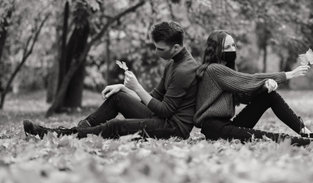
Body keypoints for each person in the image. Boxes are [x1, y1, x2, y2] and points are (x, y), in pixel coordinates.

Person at [23, 21, 198, 140]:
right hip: (162, 118)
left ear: (175, 47)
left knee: (115, 126)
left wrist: (137, 87)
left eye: (160, 48)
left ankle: (61, 134)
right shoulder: (173, 63)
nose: (156, 52)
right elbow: (154, 98)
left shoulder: (184, 70)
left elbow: (165, 110)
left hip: (174, 128)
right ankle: (81, 129)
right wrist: (124, 88)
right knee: (118, 96)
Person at [194, 30, 313, 147]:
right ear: (217, 50)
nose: (232, 49)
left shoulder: (226, 72)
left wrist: (265, 88)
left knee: (270, 96)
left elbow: (243, 96)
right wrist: (288, 75)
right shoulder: (214, 70)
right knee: (268, 137)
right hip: (215, 129)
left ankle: (307, 132)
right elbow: (249, 80)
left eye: (233, 45)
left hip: (227, 125)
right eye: (228, 47)